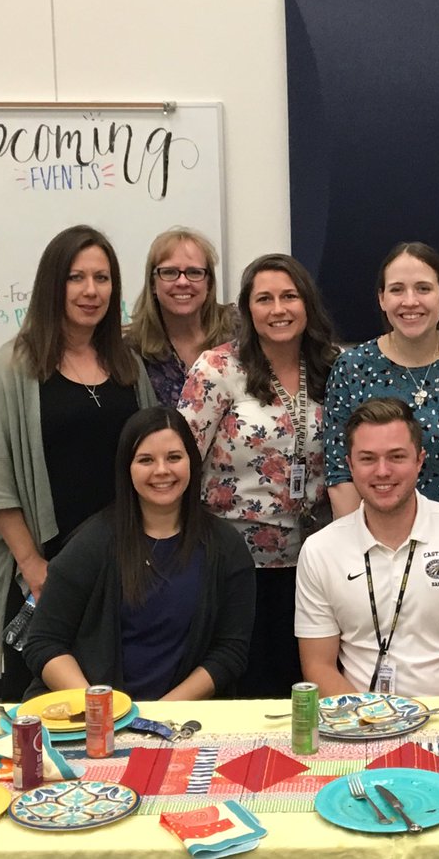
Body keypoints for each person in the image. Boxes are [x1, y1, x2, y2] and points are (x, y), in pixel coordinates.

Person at [0, 225, 157, 701]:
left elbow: (152, 459)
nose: (91, 291)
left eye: (102, 278)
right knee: (41, 705)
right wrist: (32, 564)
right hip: (45, 568)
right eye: (76, 278)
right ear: (53, 285)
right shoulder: (17, 365)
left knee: (117, 701)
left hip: (122, 565)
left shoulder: (128, 364)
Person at [179, 254, 339, 697]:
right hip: (233, 561)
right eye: (264, 299)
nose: (278, 309)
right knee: (243, 685)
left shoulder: (334, 366)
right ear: (247, 309)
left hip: (313, 560)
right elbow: (181, 460)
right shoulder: (217, 370)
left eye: (290, 297)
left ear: (308, 304)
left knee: (305, 685)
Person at [22, 408, 255, 700]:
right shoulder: (91, 544)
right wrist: (103, 708)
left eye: (173, 457)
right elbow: (44, 642)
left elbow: (230, 651)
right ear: (126, 468)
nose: (161, 471)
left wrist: (163, 713)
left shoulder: (226, 546)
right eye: (146, 460)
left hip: (184, 719)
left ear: (192, 463)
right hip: (96, 719)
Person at [296, 397, 439, 697]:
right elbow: (318, 666)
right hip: (359, 723)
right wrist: (366, 722)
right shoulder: (320, 551)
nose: (383, 471)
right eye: (368, 458)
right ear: (349, 465)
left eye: (396, 457)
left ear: (419, 460)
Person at [324, 241, 439, 542]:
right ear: (382, 299)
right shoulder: (351, 368)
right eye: (397, 289)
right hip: (377, 552)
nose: (410, 301)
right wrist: (362, 554)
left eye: (423, 289)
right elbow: (340, 473)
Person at [127, 227, 238, 407]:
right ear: (153, 284)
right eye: (170, 272)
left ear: (208, 283)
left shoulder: (239, 330)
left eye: (194, 272)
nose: (183, 282)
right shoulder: (134, 351)